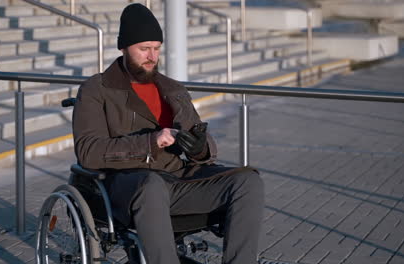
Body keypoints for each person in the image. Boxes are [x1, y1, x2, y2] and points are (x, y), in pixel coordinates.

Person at [72, 3, 264, 264]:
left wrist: (198, 147)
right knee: (151, 185)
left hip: (177, 181)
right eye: (143, 48)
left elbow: (203, 145)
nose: (151, 56)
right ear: (123, 47)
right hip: (126, 185)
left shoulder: (173, 89)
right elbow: (88, 151)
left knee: (247, 180)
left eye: (156, 48)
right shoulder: (97, 88)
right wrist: (152, 141)